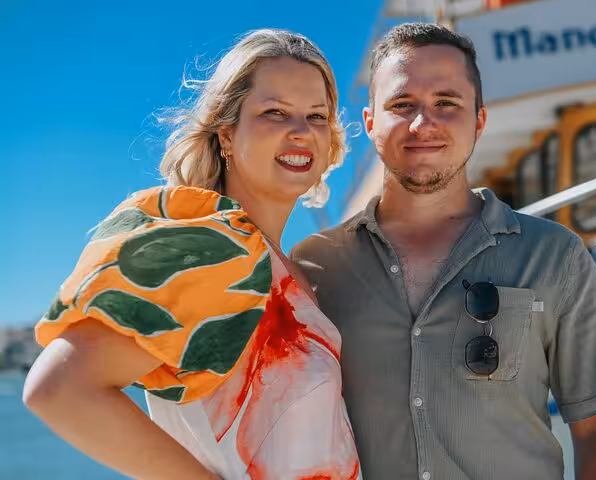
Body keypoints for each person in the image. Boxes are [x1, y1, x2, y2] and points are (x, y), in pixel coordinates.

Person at [291, 23, 596, 480]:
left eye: (446, 103)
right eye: (402, 105)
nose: (423, 123)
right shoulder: (314, 267)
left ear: (478, 119)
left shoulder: (556, 256)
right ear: (370, 122)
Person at [23, 29, 360, 480]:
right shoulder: (210, 244)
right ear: (225, 133)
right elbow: (60, 391)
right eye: (274, 112)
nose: (300, 131)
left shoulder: (292, 270)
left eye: (317, 115)